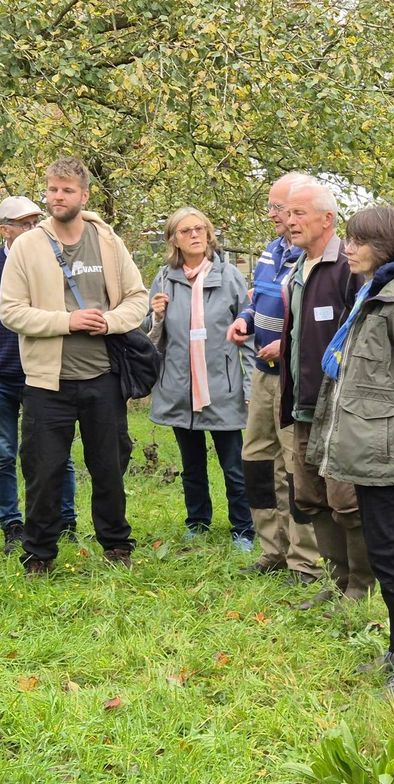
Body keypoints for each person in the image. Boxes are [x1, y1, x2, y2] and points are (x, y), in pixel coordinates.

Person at [309, 206, 394, 699]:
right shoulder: (370, 294)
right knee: (387, 551)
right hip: (372, 447)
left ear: (385, 246)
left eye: (359, 241)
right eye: (348, 239)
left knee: (393, 555)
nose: (348, 248)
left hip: (390, 449)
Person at [0, 156, 148, 573]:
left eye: (66, 190)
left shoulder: (107, 241)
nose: (57, 196)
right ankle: (39, 555)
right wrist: (67, 321)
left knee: (109, 468)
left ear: (84, 195)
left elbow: (137, 297)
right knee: (43, 472)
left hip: (103, 377)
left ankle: (117, 547)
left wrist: (109, 321)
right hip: (48, 382)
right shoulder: (27, 246)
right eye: (52, 189)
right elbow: (10, 311)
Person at [0, 196, 79, 554]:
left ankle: (65, 521)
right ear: (4, 230)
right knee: (3, 453)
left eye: (35, 222)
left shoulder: (52, 262)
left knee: (56, 452)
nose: (32, 229)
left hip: (42, 376)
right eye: (24, 223)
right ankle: (12, 525)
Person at [279, 180, 373, 608]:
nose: (289, 220)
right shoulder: (297, 267)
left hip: (338, 409)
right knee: (310, 496)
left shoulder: (347, 269)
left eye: (299, 213)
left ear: (327, 219)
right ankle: (335, 580)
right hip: (301, 405)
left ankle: (360, 585)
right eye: (287, 213)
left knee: (345, 501)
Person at [228, 173, 321, 580]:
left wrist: (286, 345)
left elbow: (321, 321)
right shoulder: (273, 250)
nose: (272, 214)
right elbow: (259, 298)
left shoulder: (312, 256)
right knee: (257, 461)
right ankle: (273, 549)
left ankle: (306, 561)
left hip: (293, 378)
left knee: (295, 467)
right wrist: (246, 319)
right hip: (262, 375)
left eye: (278, 208)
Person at [145, 207, 255, 548]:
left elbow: (249, 334)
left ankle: (243, 528)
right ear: (174, 240)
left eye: (199, 229)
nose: (194, 235)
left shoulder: (230, 277)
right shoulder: (164, 280)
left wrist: (250, 385)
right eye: (185, 231)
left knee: (234, 466)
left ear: (208, 234)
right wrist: (157, 315)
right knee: (191, 465)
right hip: (179, 386)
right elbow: (149, 340)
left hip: (222, 386)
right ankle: (198, 521)